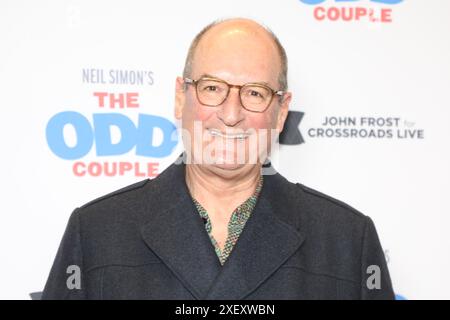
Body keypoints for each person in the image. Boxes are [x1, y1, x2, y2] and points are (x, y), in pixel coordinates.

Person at [42, 17, 394, 299]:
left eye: (255, 93)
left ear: (282, 110)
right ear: (181, 97)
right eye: (212, 88)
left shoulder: (346, 241)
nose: (230, 114)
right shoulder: (96, 232)